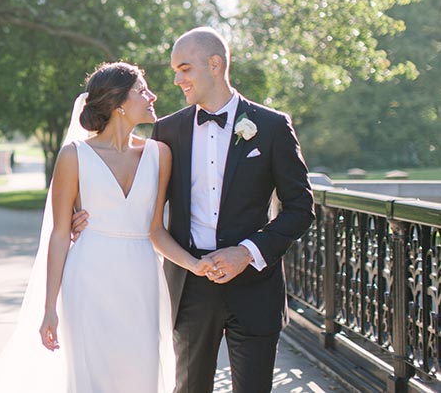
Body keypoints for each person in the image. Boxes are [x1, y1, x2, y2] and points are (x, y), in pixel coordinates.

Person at [72, 28, 315, 393]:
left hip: (256, 287)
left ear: (215, 64)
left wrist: (246, 253)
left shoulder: (272, 126)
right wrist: (82, 214)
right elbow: (135, 198)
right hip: (189, 287)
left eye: (184, 69)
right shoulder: (167, 131)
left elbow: (301, 207)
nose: (176, 80)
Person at [38, 61, 212, 392]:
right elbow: (60, 234)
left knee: (141, 374)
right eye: (142, 90)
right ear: (118, 103)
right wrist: (49, 308)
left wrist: (194, 264)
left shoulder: (160, 154)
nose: (153, 95)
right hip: (88, 279)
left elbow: (155, 230)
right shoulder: (74, 156)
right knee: (93, 376)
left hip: (142, 278)